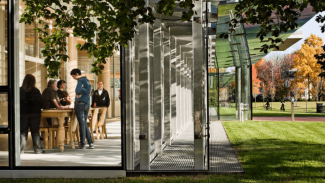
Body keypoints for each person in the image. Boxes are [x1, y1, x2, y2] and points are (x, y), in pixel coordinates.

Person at [20, 74, 45, 154]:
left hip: (23, 114)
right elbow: (42, 102)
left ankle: (20, 150)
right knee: (35, 131)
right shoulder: (36, 91)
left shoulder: (20, 90)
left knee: (23, 132)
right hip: (35, 114)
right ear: (33, 82)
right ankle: (37, 149)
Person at [70, 68, 94, 149]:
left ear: (77, 74)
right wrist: (83, 92)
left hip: (79, 104)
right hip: (87, 104)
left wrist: (79, 93)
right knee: (84, 123)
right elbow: (88, 91)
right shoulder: (87, 81)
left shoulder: (80, 81)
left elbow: (77, 90)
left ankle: (83, 144)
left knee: (81, 124)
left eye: (73, 76)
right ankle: (90, 142)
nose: (73, 78)